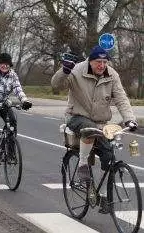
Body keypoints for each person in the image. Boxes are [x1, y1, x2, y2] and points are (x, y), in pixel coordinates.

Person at [51, 45, 137, 212]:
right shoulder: (76, 71)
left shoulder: (112, 75)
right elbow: (56, 85)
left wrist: (130, 120)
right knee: (89, 128)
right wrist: (64, 71)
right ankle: (83, 163)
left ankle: (104, 196)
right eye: (98, 62)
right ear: (90, 61)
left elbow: (121, 98)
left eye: (105, 62)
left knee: (109, 157)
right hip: (76, 117)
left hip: (101, 123)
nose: (102, 65)